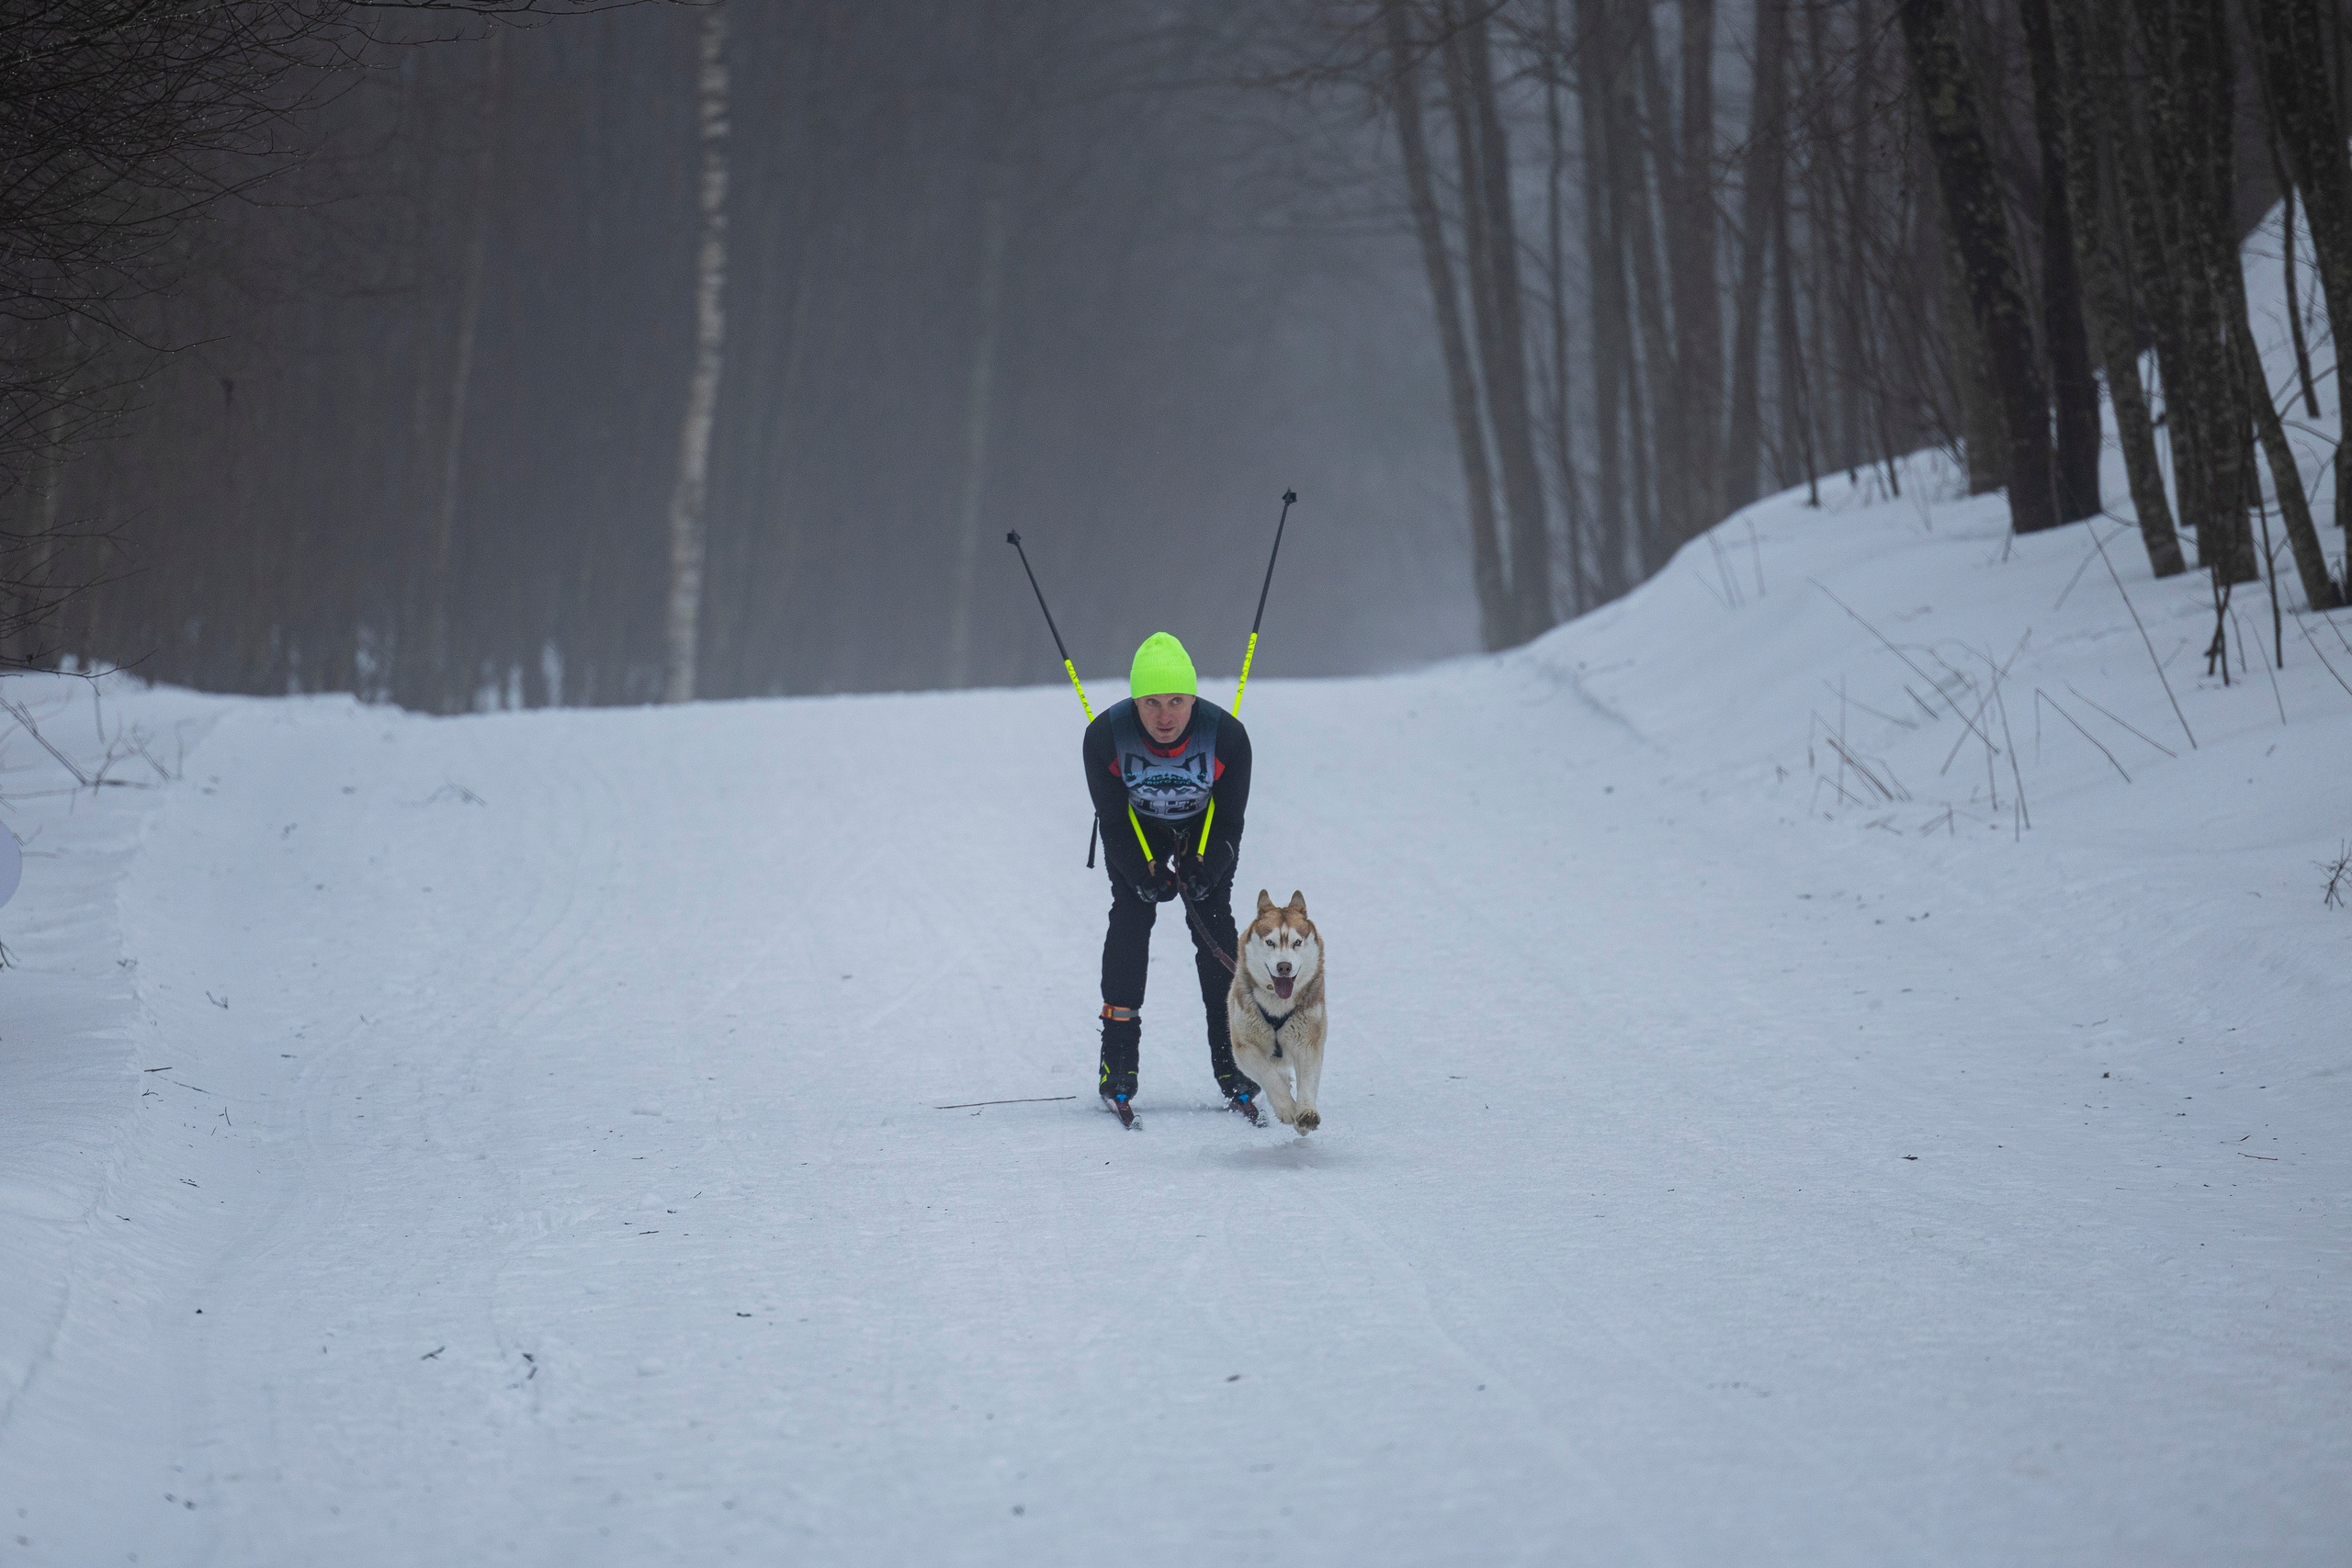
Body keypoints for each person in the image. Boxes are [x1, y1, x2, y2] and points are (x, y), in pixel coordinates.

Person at [1083, 632, 1259, 1119]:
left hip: (1204, 830)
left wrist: (1208, 867)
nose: (1165, 716)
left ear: (1194, 698)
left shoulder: (1227, 736)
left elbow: (1229, 822)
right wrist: (1143, 872)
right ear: (1135, 701)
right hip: (1137, 831)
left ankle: (1236, 1061)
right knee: (1131, 917)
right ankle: (1117, 1060)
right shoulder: (1104, 738)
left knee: (1213, 921)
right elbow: (1114, 821)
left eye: (1177, 701)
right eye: (1151, 702)